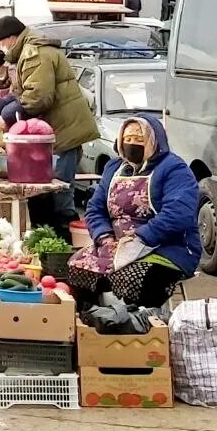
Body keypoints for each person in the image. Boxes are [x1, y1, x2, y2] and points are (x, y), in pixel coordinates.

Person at [67, 116, 200, 307]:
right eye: (127, 140)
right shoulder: (114, 168)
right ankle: (95, 323)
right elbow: (95, 208)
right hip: (117, 245)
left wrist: (140, 239)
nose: (132, 144)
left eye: (139, 140)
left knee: (132, 278)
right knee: (77, 268)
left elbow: (178, 214)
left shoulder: (174, 169)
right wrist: (105, 237)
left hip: (167, 248)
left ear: (154, 142)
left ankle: (140, 329)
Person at [0, 15, 98, 231]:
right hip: (52, 136)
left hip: (63, 135)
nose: (1, 49)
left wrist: (7, 115)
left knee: (58, 198)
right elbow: (17, 95)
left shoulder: (35, 53)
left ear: (11, 38)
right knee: (42, 197)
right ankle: (46, 250)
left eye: (1, 43)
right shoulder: (26, 54)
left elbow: (37, 98)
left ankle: (63, 254)